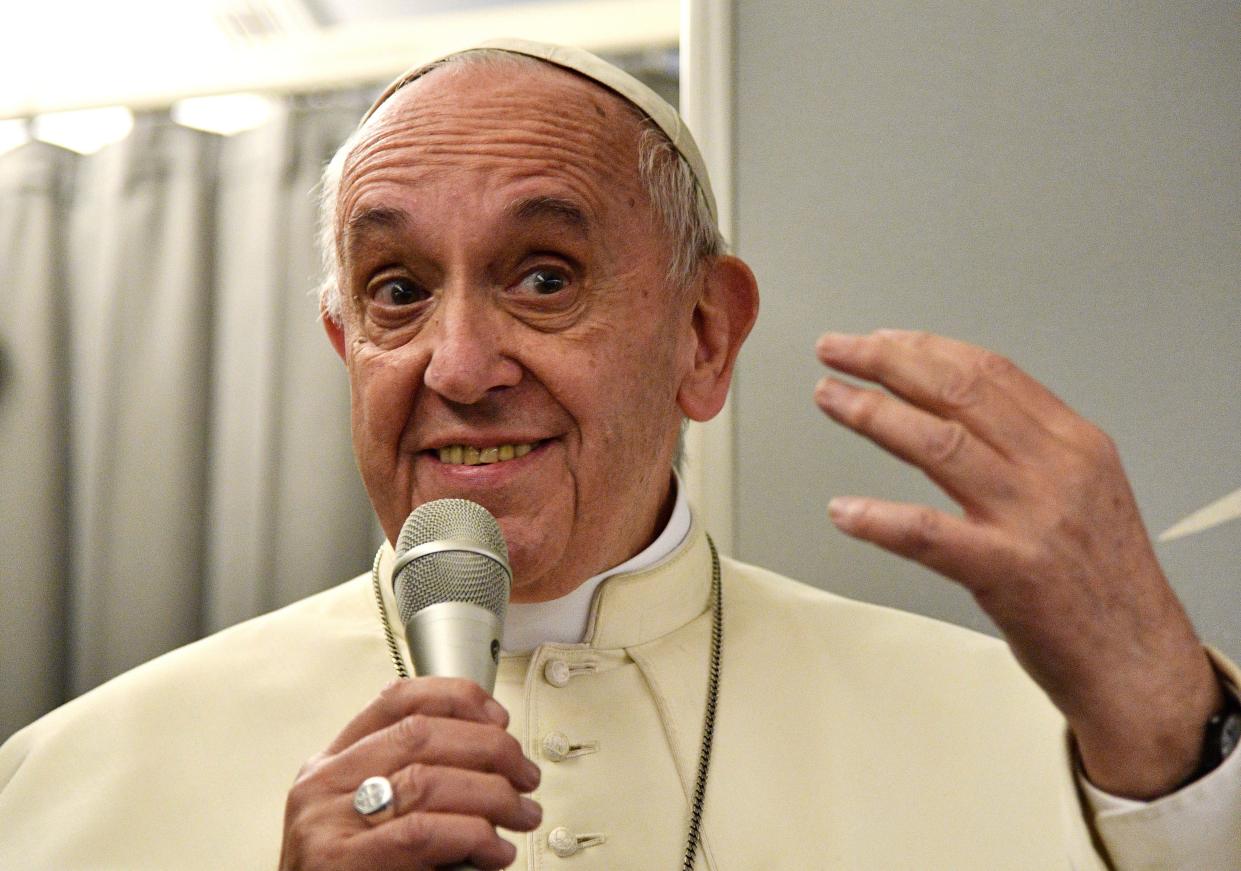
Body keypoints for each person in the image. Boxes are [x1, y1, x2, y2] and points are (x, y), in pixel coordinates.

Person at [1, 38, 1238, 870]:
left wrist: (1170, 722)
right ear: (343, 343)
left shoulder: (1066, 753)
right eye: (395, 289)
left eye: (544, 276)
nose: (459, 364)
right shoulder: (65, 787)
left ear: (702, 335)